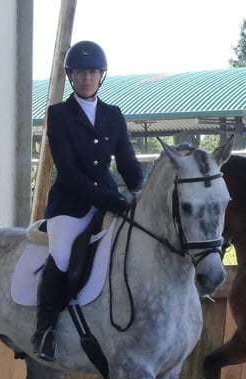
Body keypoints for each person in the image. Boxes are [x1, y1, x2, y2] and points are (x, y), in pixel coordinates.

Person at [32, 40, 144, 361]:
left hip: (109, 198)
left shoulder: (113, 115)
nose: (87, 78)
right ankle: (46, 330)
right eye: (81, 72)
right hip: (70, 204)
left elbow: (127, 162)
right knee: (63, 255)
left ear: (101, 76)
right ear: (71, 75)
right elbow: (67, 170)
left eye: (93, 72)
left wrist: (142, 194)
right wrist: (111, 200)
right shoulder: (58, 115)